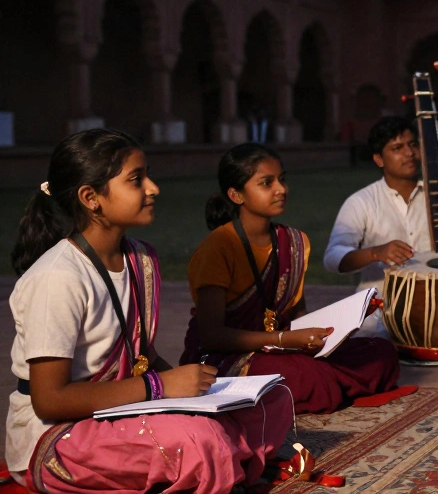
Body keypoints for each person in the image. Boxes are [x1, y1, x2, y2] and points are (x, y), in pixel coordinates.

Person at [6, 129, 292, 493]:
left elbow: (143, 355)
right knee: (198, 438)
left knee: (271, 400)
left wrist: (198, 393)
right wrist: (160, 387)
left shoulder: (140, 256)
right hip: (61, 434)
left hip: (128, 406)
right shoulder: (57, 277)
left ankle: (216, 460)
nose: (153, 188)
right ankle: (219, 458)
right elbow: (50, 400)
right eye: (136, 180)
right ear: (91, 198)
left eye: (148, 176)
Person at [181, 143, 401, 414]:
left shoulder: (294, 242)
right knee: (309, 376)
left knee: (380, 352)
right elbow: (212, 336)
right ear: (236, 195)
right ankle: (329, 384)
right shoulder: (217, 248)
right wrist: (284, 339)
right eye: (267, 183)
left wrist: (343, 323)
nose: (281, 189)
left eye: (282, 179)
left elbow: (298, 315)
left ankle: (324, 385)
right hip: (228, 358)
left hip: (282, 350)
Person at [323, 115, 438, 336]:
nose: (409, 153)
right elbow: (333, 257)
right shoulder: (361, 202)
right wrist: (376, 253)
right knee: (379, 331)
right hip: (385, 300)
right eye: (397, 148)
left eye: (413, 145)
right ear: (379, 159)